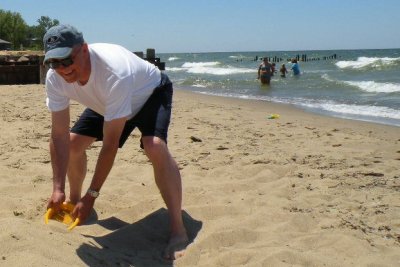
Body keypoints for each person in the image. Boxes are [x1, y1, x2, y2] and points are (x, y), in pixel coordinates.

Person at [43, 24, 188, 260]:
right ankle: (73, 200)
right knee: (71, 144)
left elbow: (110, 145)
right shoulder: (55, 78)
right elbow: (58, 135)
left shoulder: (113, 73)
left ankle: (178, 229)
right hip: (108, 102)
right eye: (54, 62)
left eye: (67, 60)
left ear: (84, 50)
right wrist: (57, 187)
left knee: (154, 147)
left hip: (150, 93)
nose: (62, 69)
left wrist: (93, 195)